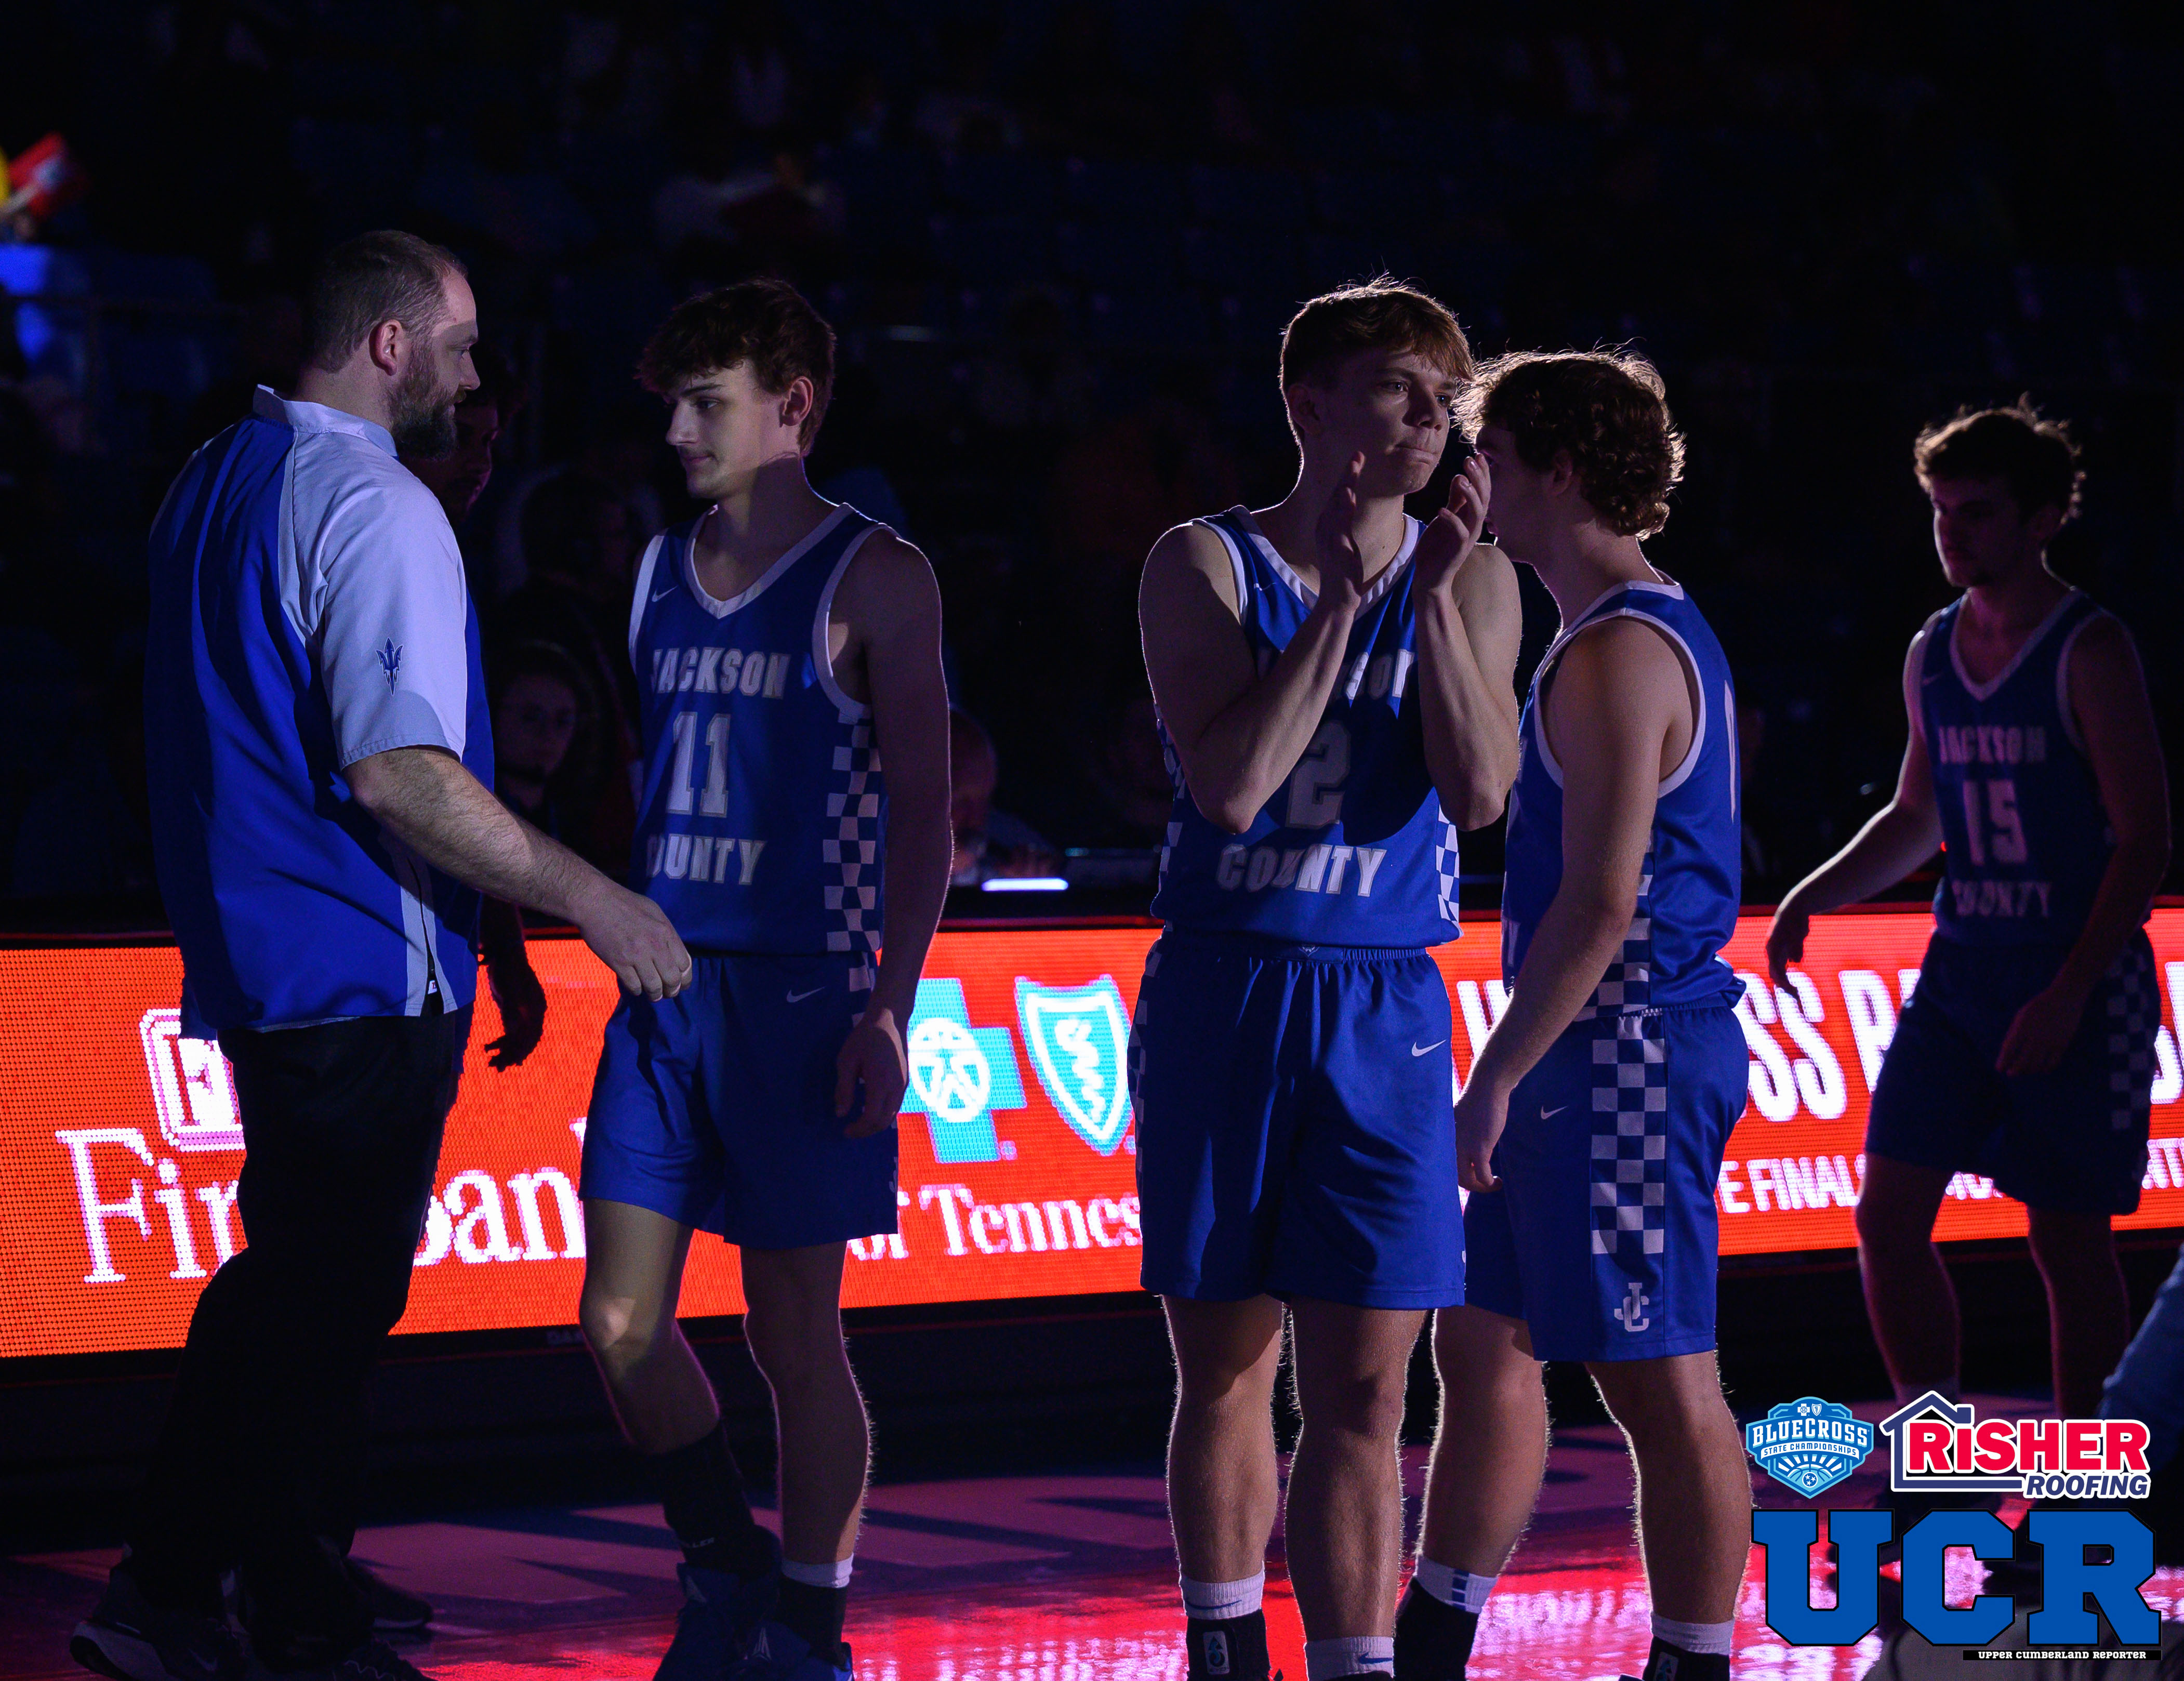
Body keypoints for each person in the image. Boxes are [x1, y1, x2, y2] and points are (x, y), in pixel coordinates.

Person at [76, 230, 691, 1681]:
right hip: (356, 959)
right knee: (314, 1302)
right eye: (462, 348)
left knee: (299, 1291)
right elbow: (397, 772)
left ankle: (221, 1588)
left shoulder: (212, 474)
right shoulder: (373, 502)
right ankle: (240, 1605)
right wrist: (593, 900)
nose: (477, 381)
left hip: (267, 953)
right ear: (391, 345)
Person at [1131, 280, 1522, 1681]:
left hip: (1383, 997)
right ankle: (1226, 1649)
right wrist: (1344, 609)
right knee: (1227, 1364)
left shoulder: (1477, 575)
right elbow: (1231, 787)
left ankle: (1357, 1662)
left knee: (1366, 1381)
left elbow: (1479, 794)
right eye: (1397, 389)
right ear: (1308, 405)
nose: (1429, 420)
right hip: (1228, 981)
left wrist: (1426, 597)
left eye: (1442, 399)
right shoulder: (1201, 560)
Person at [575, 279, 951, 1681]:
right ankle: (726, 1563)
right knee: (619, 1321)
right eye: (673, 403)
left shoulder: (879, 574)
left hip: (802, 995)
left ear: (792, 406)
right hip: (661, 987)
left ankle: (806, 1622)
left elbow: (926, 814)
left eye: (706, 403)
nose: (677, 430)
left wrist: (890, 1007)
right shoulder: (653, 569)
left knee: (792, 1329)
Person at [1406, 352, 1749, 1681]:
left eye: (1489, 452)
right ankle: (1435, 1628)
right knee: (1481, 1336)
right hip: (1595, 1046)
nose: (1469, 475)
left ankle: (1693, 1658)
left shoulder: (1615, 651)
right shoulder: (1613, 628)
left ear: (1555, 471)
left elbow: (1602, 902)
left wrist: (1492, 1075)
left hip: (1626, 1048)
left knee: (1657, 1376)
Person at [1767, 405, 2168, 1429]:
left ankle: (2088, 1474)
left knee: (2067, 1240)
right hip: (1961, 976)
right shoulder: (1933, 649)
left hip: (2073, 978)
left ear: (2042, 519)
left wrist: (2069, 991)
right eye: (1941, 511)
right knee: (1887, 1217)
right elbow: (1918, 814)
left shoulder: (2089, 648)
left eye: (1976, 512)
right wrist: (1814, 891)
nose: (1951, 532)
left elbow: (2144, 841)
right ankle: (1933, 1440)